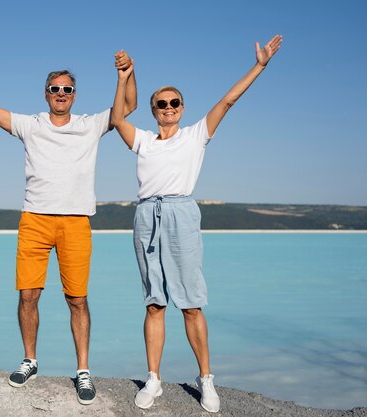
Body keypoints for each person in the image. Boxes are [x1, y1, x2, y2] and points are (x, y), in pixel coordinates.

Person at [110, 35, 283, 412]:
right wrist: (125, 75)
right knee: (155, 302)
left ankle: (206, 380)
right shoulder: (142, 140)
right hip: (145, 216)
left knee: (191, 303)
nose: (168, 108)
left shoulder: (196, 135)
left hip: (181, 213)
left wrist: (260, 66)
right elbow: (116, 118)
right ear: (154, 110)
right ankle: (153, 380)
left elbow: (228, 100)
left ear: (183, 108)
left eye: (174, 103)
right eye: (161, 104)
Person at [0, 47, 137, 405]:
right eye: (55, 89)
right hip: (35, 220)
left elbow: (128, 109)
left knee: (77, 299)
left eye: (67, 89)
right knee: (28, 294)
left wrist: (125, 76)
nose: (61, 94)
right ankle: (30, 359)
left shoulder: (89, 125)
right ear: (46, 93)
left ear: (75, 95)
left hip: (76, 222)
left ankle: (83, 371)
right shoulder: (32, 124)